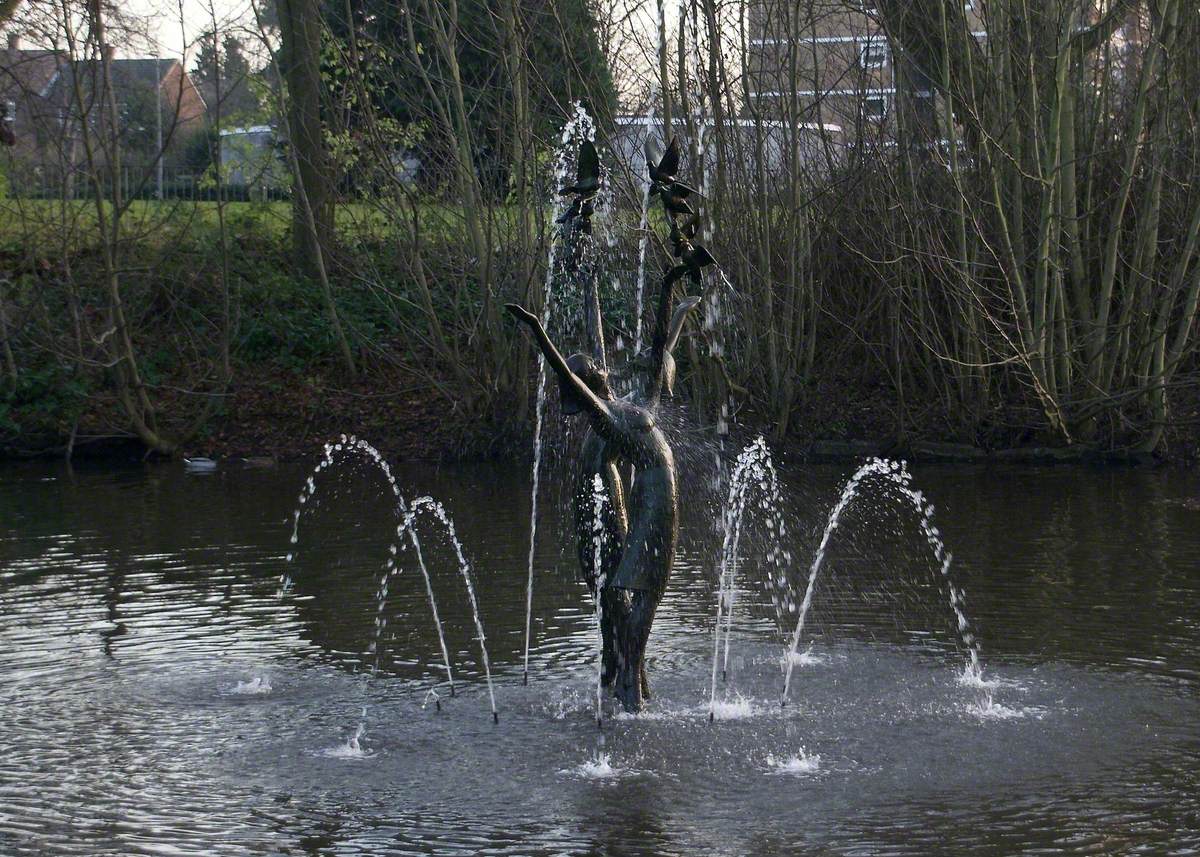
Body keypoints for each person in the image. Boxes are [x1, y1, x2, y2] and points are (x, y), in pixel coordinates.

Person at [507, 302, 679, 712]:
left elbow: (655, 359)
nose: (604, 364)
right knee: (631, 599)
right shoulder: (604, 416)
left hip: (644, 500)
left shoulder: (620, 408)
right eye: (595, 366)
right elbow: (570, 377)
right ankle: (628, 685)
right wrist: (538, 331)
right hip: (635, 506)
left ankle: (626, 679)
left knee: (628, 600)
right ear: (590, 384)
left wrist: (672, 298)